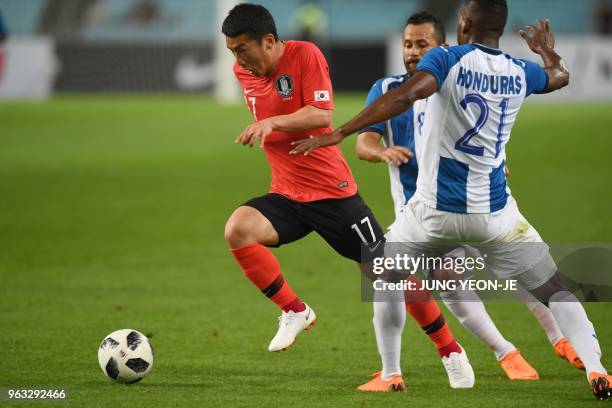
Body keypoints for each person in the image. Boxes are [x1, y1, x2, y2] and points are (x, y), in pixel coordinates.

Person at [291, 0, 610, 400]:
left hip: (432, 214)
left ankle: (391, 373)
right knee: (555, 289)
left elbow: (408, 96)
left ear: (463, 23)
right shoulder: (518, 70)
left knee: (384, 275)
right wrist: (546, 51)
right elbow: (559, 76)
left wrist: (341, 132)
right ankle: (598, 370)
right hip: (495, 213)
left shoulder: (446, 59)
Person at [221, 4, 473, 390]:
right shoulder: (245, 70)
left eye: (241, 49)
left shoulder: (305, 55)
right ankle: (295, 311)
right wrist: (269, 122)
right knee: (238, 229)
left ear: (268, 41)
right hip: (287, 192)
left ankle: (450, 351)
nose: (238, 60)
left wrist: (270, 122)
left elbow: (322, 116)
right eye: (233, 51)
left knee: (389, 277)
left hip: (332, 195)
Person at [355, 10, 583, 383]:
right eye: (407, 44)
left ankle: (559, 339)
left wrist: (497, 164)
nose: (412, 52)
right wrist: (381, 152)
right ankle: (505, 352)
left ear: (441, 47)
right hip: (421, 212)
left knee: (510, 270)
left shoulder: (451, 81)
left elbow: (486, 136)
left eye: (421, 44)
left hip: (468, 200)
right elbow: (364, 142)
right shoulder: (387, 91)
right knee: (452, 282)